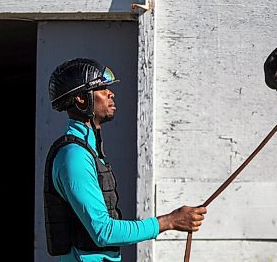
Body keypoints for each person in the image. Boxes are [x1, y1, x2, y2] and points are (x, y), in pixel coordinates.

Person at [43, 57, 207, 262]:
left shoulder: (88, 150)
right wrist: (169, 222)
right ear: (81, 99)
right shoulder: (74, 157)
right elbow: (103, 231)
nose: (110, 93)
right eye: (102, 88)